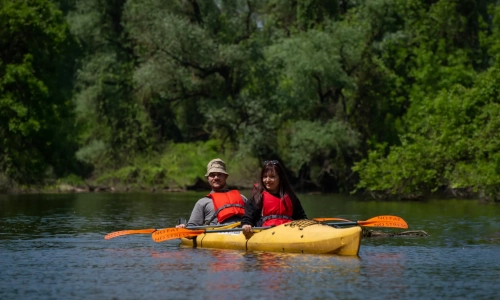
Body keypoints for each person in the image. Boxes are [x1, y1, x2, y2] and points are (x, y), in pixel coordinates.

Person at [176, 158, 247, 228]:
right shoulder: (202, 203)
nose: (216, 178)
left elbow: (254, 220)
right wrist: (183, 227)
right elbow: (192, 226)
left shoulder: (242, 198)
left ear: (226, 177)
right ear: (208, 178)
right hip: (216, 235)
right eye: (212, 175)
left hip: (242, 233)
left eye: (220, 174)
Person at [242, 160, 307, 233]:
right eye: (265, 176)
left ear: (280, 178)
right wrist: (246, 225)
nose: (267, 180)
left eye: (272, 177)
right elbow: (247, 218)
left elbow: (302, 218)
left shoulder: (291, 197)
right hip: (266, 234)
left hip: (289, 232)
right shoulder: (258, 198)